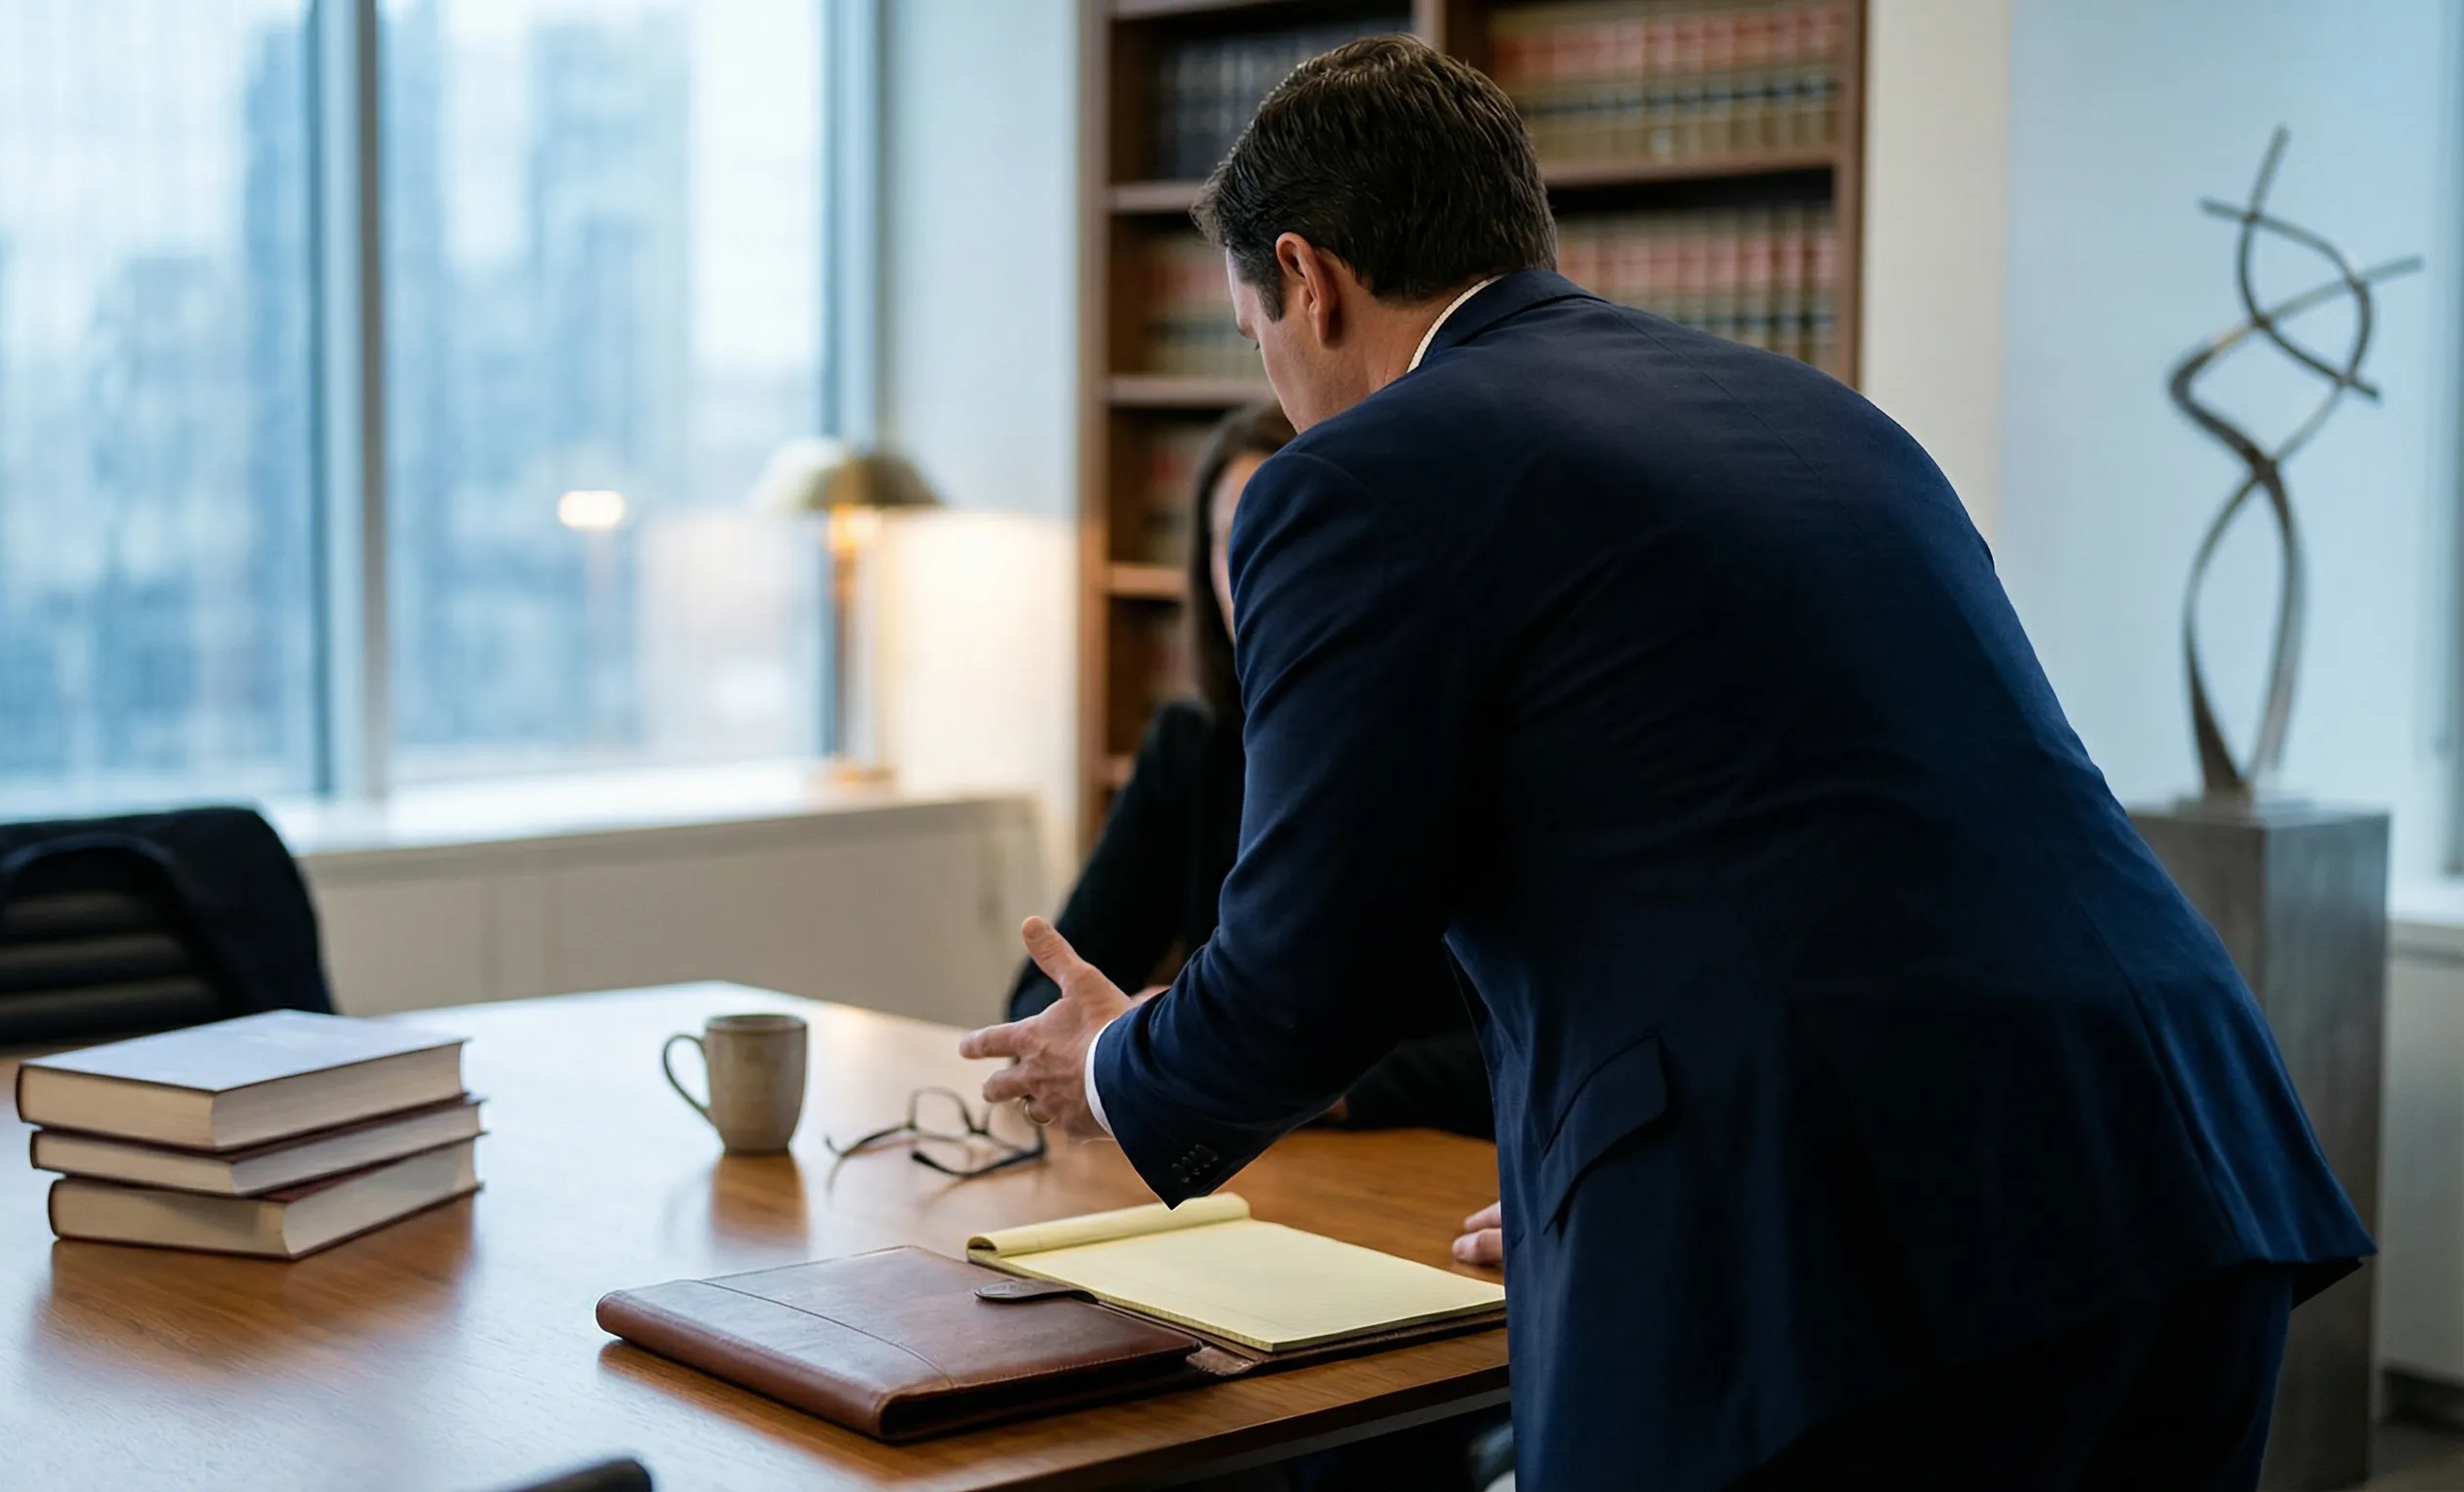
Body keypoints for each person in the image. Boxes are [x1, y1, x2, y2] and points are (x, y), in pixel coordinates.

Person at [962, 33, 2371, 1492]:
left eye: (1260, 335)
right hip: (2181, 1167)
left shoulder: (1357, 480)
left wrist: (1118, 1063)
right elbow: (1780, 849)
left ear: (1308, 281)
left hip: (1849, 1263)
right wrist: (1601, 1182)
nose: (1279, 376)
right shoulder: (1818, 415)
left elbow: (1313, 968)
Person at [1007, 399, 1491, 1140]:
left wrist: (1289, 1080)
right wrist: (1138, 1034)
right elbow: (1045, 1000)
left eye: (1290, 540)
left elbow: (1530, 1048)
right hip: (1241, 1171)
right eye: (1233, 542)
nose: (1258, 576)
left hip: (1422, 1165)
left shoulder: (1455, 737)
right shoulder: (1192, 742)